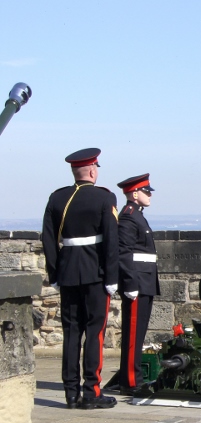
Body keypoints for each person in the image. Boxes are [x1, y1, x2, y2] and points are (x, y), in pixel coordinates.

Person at [42, 148, 119, 409]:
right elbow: (111, 241)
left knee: (71, 333)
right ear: (92, 170)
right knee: (94, 333)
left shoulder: (57, 198)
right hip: (95, 273)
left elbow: (48, 240)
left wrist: (54, 273)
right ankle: (91, 392)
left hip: (67, 272)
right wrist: (112, 276)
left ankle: (71, 393)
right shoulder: (104, 197)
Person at [116, 173, 160, 395]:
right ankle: (131, 381)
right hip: (137, 283)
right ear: (134, 194)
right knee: (133, 333)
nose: (150, 194)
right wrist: (130, 283)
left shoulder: (138, 216)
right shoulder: (128, 217)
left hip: (145, 281)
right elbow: (124, 253)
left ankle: (128, 377)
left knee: (138, 332)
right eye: (146, 191)